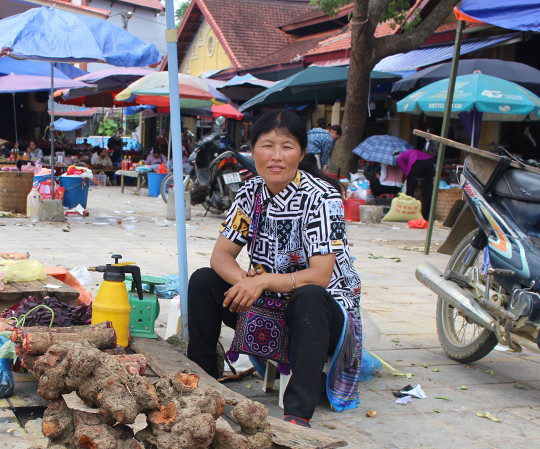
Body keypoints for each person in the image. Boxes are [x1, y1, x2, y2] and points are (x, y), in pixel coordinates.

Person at [187, 109, 362, 427]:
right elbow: (221, 256)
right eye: (267, 145)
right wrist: (247, 281)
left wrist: (264, 280)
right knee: (203, 281)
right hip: (267, 302)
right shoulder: (247, 193)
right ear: (252, 151)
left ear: (303, 152)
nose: (276, 156)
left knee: (308, 296)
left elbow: (320, 276)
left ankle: (297, 415)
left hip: (319, 311)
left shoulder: (325, 199)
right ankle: (202, 388)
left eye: (287, 146)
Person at [397, 147, 436, 219]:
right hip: (429, 162)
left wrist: (409, 178)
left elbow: (406, 171)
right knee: (427, 190)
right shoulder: (412, 152)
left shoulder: (399, 157)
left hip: (417, 162)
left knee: (410, 190)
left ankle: (407, 214)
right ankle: (426, 216)